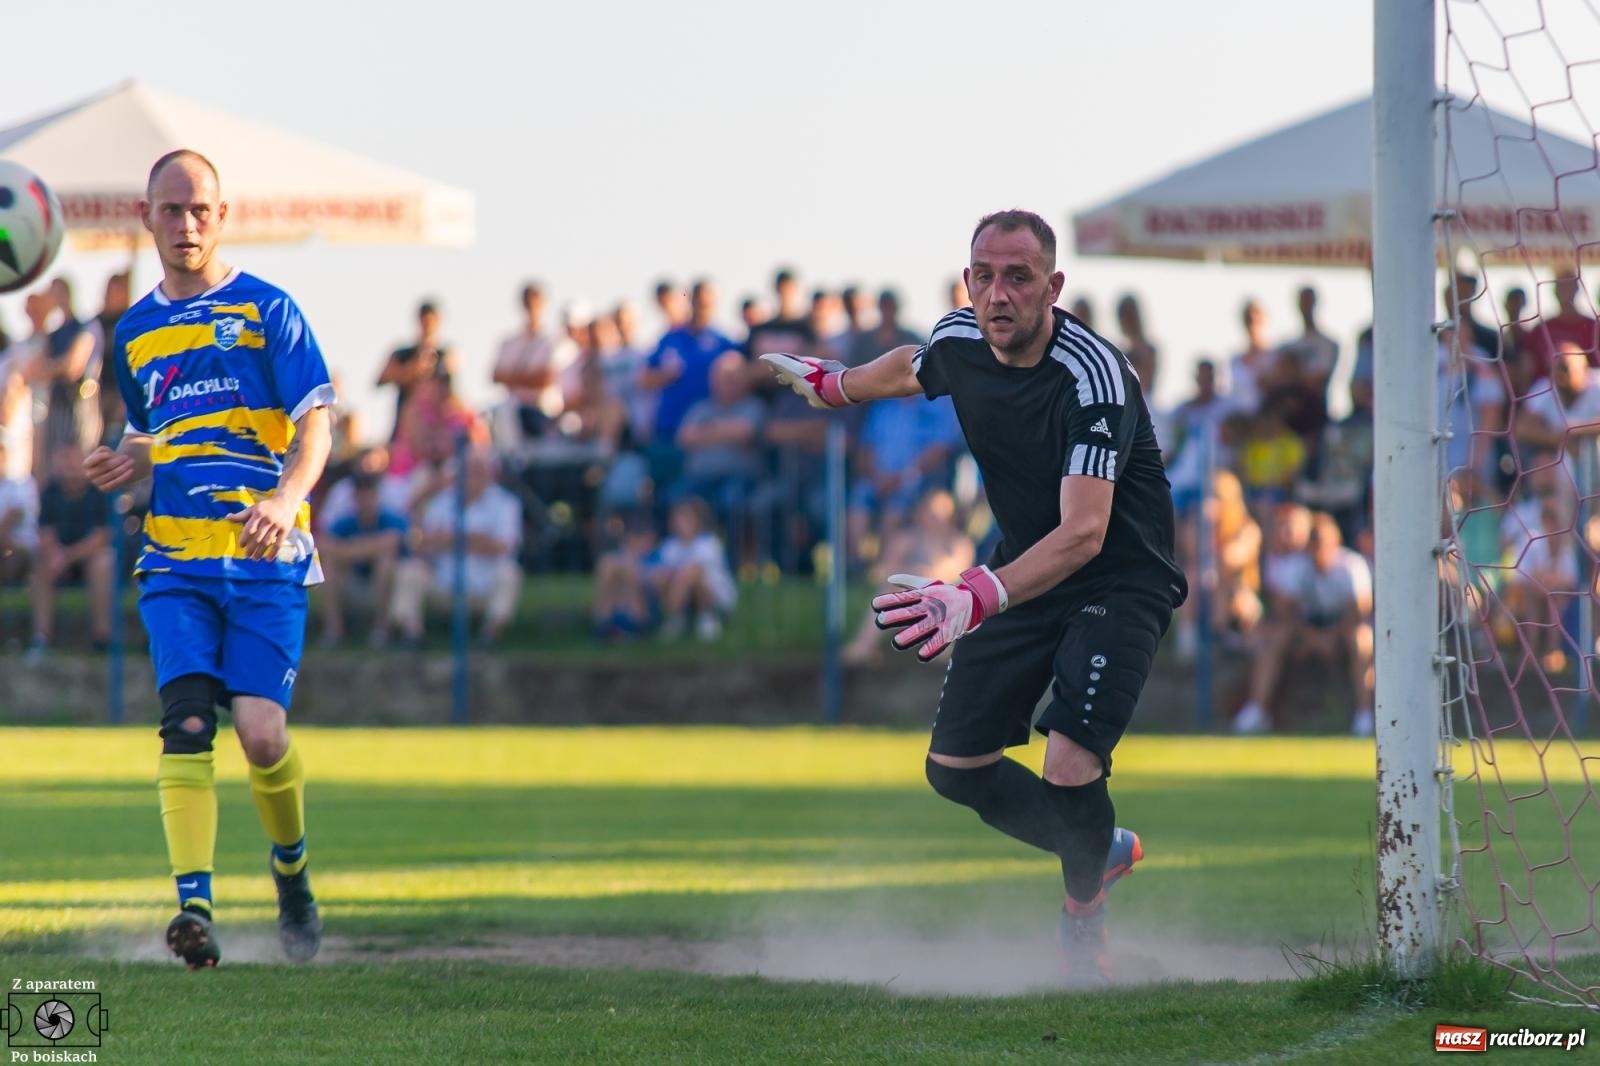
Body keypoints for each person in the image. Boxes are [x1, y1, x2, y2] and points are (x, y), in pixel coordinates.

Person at [761, 209, 1187, 983]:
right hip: (1023, 571)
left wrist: (974, 596)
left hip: (1120, 579)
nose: (998, 294)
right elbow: (916, 366)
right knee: (955, 768)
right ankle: (1097, 848)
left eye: (1019, 277)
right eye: (984, 276)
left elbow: (1085, 532)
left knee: (1068, 764)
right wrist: (838, 386)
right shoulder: (962, 338)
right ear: (967, 282)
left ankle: (1081, 922)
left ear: (1053, 288)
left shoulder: (1095, 377)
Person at [84, 150, 334, 969]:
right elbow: (149, 436)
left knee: (261, 736)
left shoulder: (268, 309)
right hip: (175, 562)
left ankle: (291, 873)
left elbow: (317, 423)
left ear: (221, 217)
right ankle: (194, 909)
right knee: (187, 726)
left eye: (200, 210)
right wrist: (123, 465)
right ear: (146, 217)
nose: (186, 224)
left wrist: (283, 500)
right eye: (171, 209)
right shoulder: (133, 333)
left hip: (264, 558)